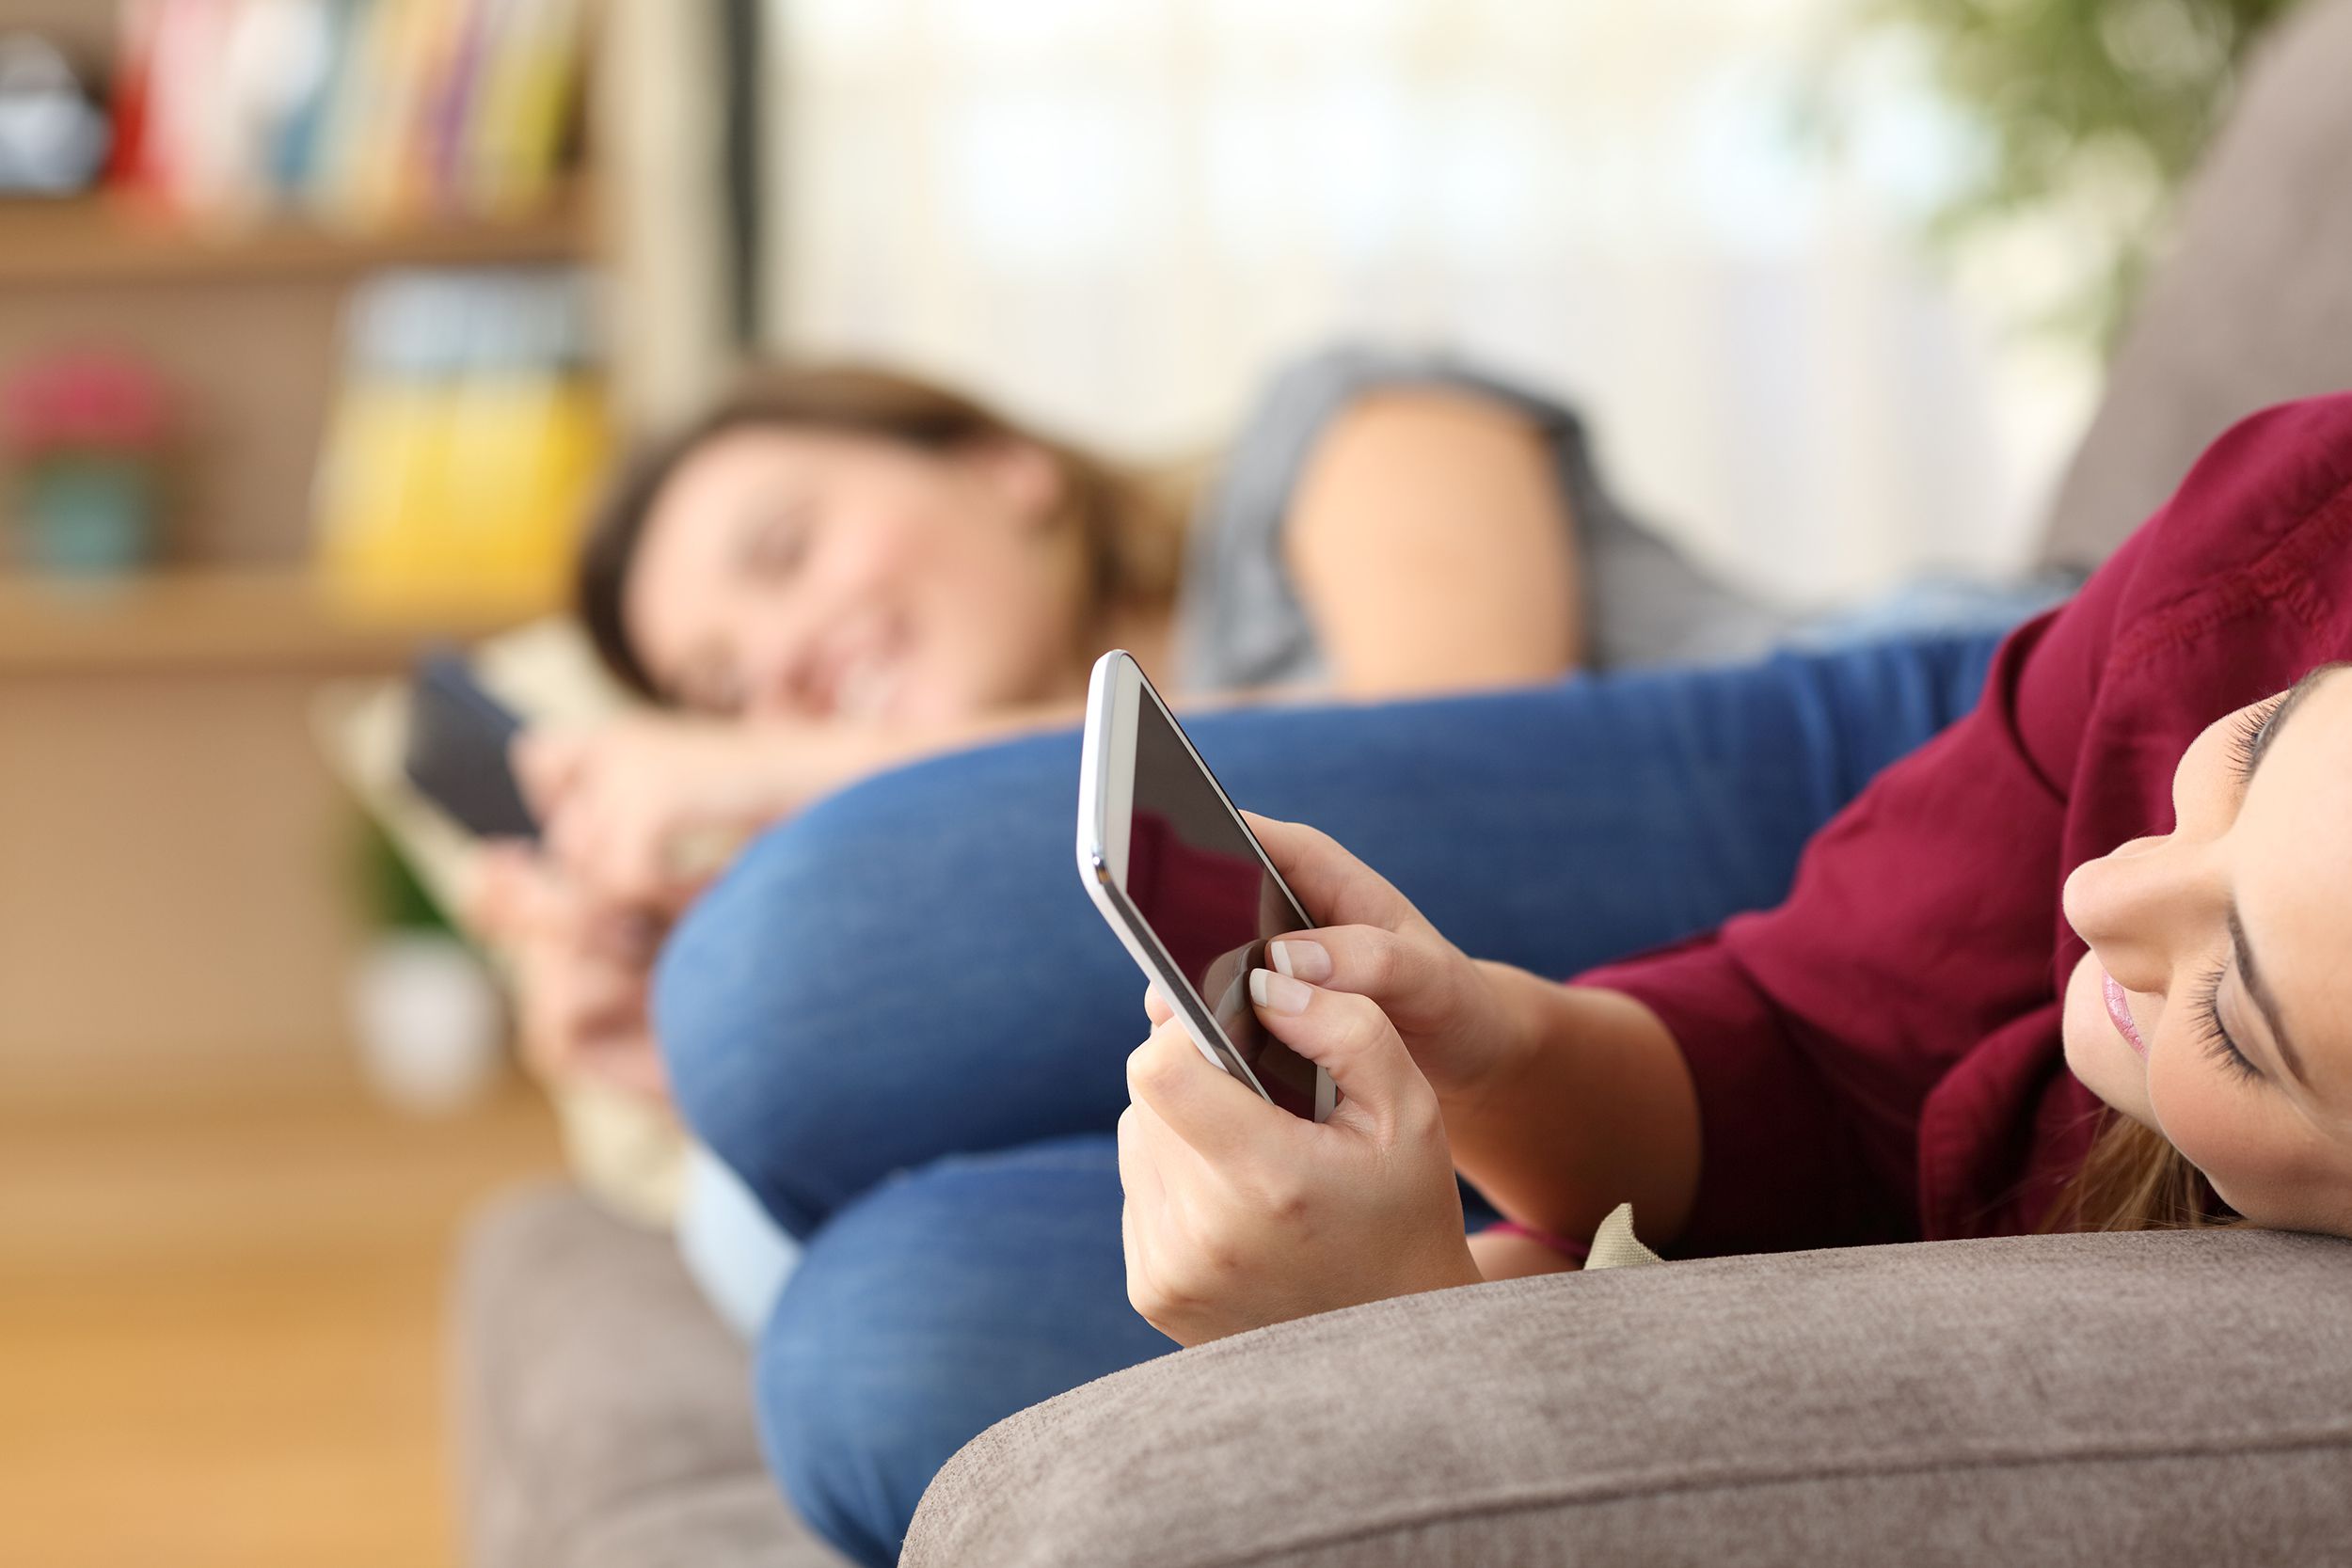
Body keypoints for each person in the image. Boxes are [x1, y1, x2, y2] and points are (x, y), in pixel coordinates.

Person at [649, 395, 2352, 1564]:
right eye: (2246, 756)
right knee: (773, 1018)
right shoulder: (2277, 546)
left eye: (2234, 1006)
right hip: (1918, 759)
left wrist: (1414, 1354)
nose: (2107, 884)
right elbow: (1810, 1034)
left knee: (873, 1340)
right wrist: (1483, 1038)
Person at [478, 346, 1793, 1102]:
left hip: (1919, 774)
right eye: (721, 693)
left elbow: (1456, 749)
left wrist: (784, 772)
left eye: (784, 553)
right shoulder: (1074, 890)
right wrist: (676, 1058)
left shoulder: (1348, 424)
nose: (783, 668)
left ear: (1004, 465)